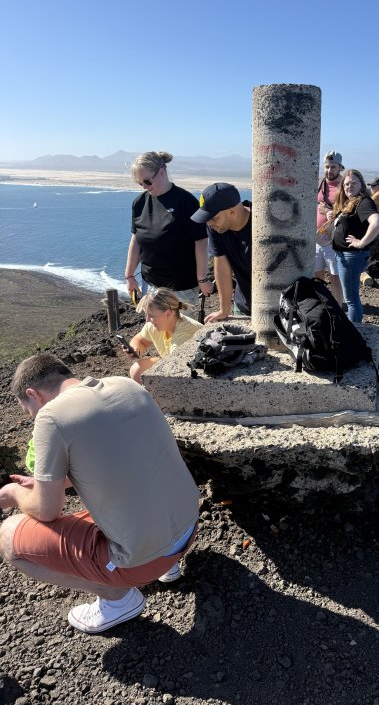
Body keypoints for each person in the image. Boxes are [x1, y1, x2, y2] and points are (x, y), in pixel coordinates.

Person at [0, 353, 200, 634]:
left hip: (144, 560)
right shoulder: (125, 385)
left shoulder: (51, 417)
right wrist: (45, 482)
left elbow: (47, 510)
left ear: (33, 394)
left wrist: (13, 494)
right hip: (188, 527)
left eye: (27, 409)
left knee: (9, 537)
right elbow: (118, 460)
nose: (31, 417)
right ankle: (168, 567)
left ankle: (118, 599)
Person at [125, 151, 212, 311]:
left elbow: (201, 241)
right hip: (150, 284)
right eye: (140, 183)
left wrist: (202, 279)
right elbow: (136, 240)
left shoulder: (186, 202)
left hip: (181, 287)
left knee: (181, 334)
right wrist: (129, 276)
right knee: (153, 331)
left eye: (147, 181)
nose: (144, 186)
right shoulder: (139, 203)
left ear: (161, 172)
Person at [191, 183, 251, 322]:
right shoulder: (216, 228)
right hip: (244, 305)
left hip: (275, 305)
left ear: (232, 211)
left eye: (214, 217)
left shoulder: (262, 223)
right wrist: (224, 310)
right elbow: (222, 268)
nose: (209, 223)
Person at [332, 169, 379, 322]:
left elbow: (377, 222)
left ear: (361, 185)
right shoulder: (350, 202)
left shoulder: (363, 202)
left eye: (354, 183)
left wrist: (361, 242)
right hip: (345, 256)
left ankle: (355, 333)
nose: (349, 186)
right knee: (351, 298)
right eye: (346, 184)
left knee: (351, 300)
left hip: (352, 257)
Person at [123, 287, 204, 384]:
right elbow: (139, 340)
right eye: (146, 315)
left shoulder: (183, 336)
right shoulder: (158, 323)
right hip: (174, 364)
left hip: (195, 375)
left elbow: (177, 371)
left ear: (168, 313)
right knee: (137, 370)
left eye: (151, 316)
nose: (147, 320)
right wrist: (135, 349)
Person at [315, 151, 344, 305]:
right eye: (327, 167)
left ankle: (338, 309)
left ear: (340, 167)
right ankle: (319, 308)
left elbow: (347, 211)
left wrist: (327, 212)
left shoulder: (344, 186)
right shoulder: (321, 183)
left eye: (333, 167)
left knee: (335, 277)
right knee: (317, 275)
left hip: (334, 240)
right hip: (318, 237)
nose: (329, 170)